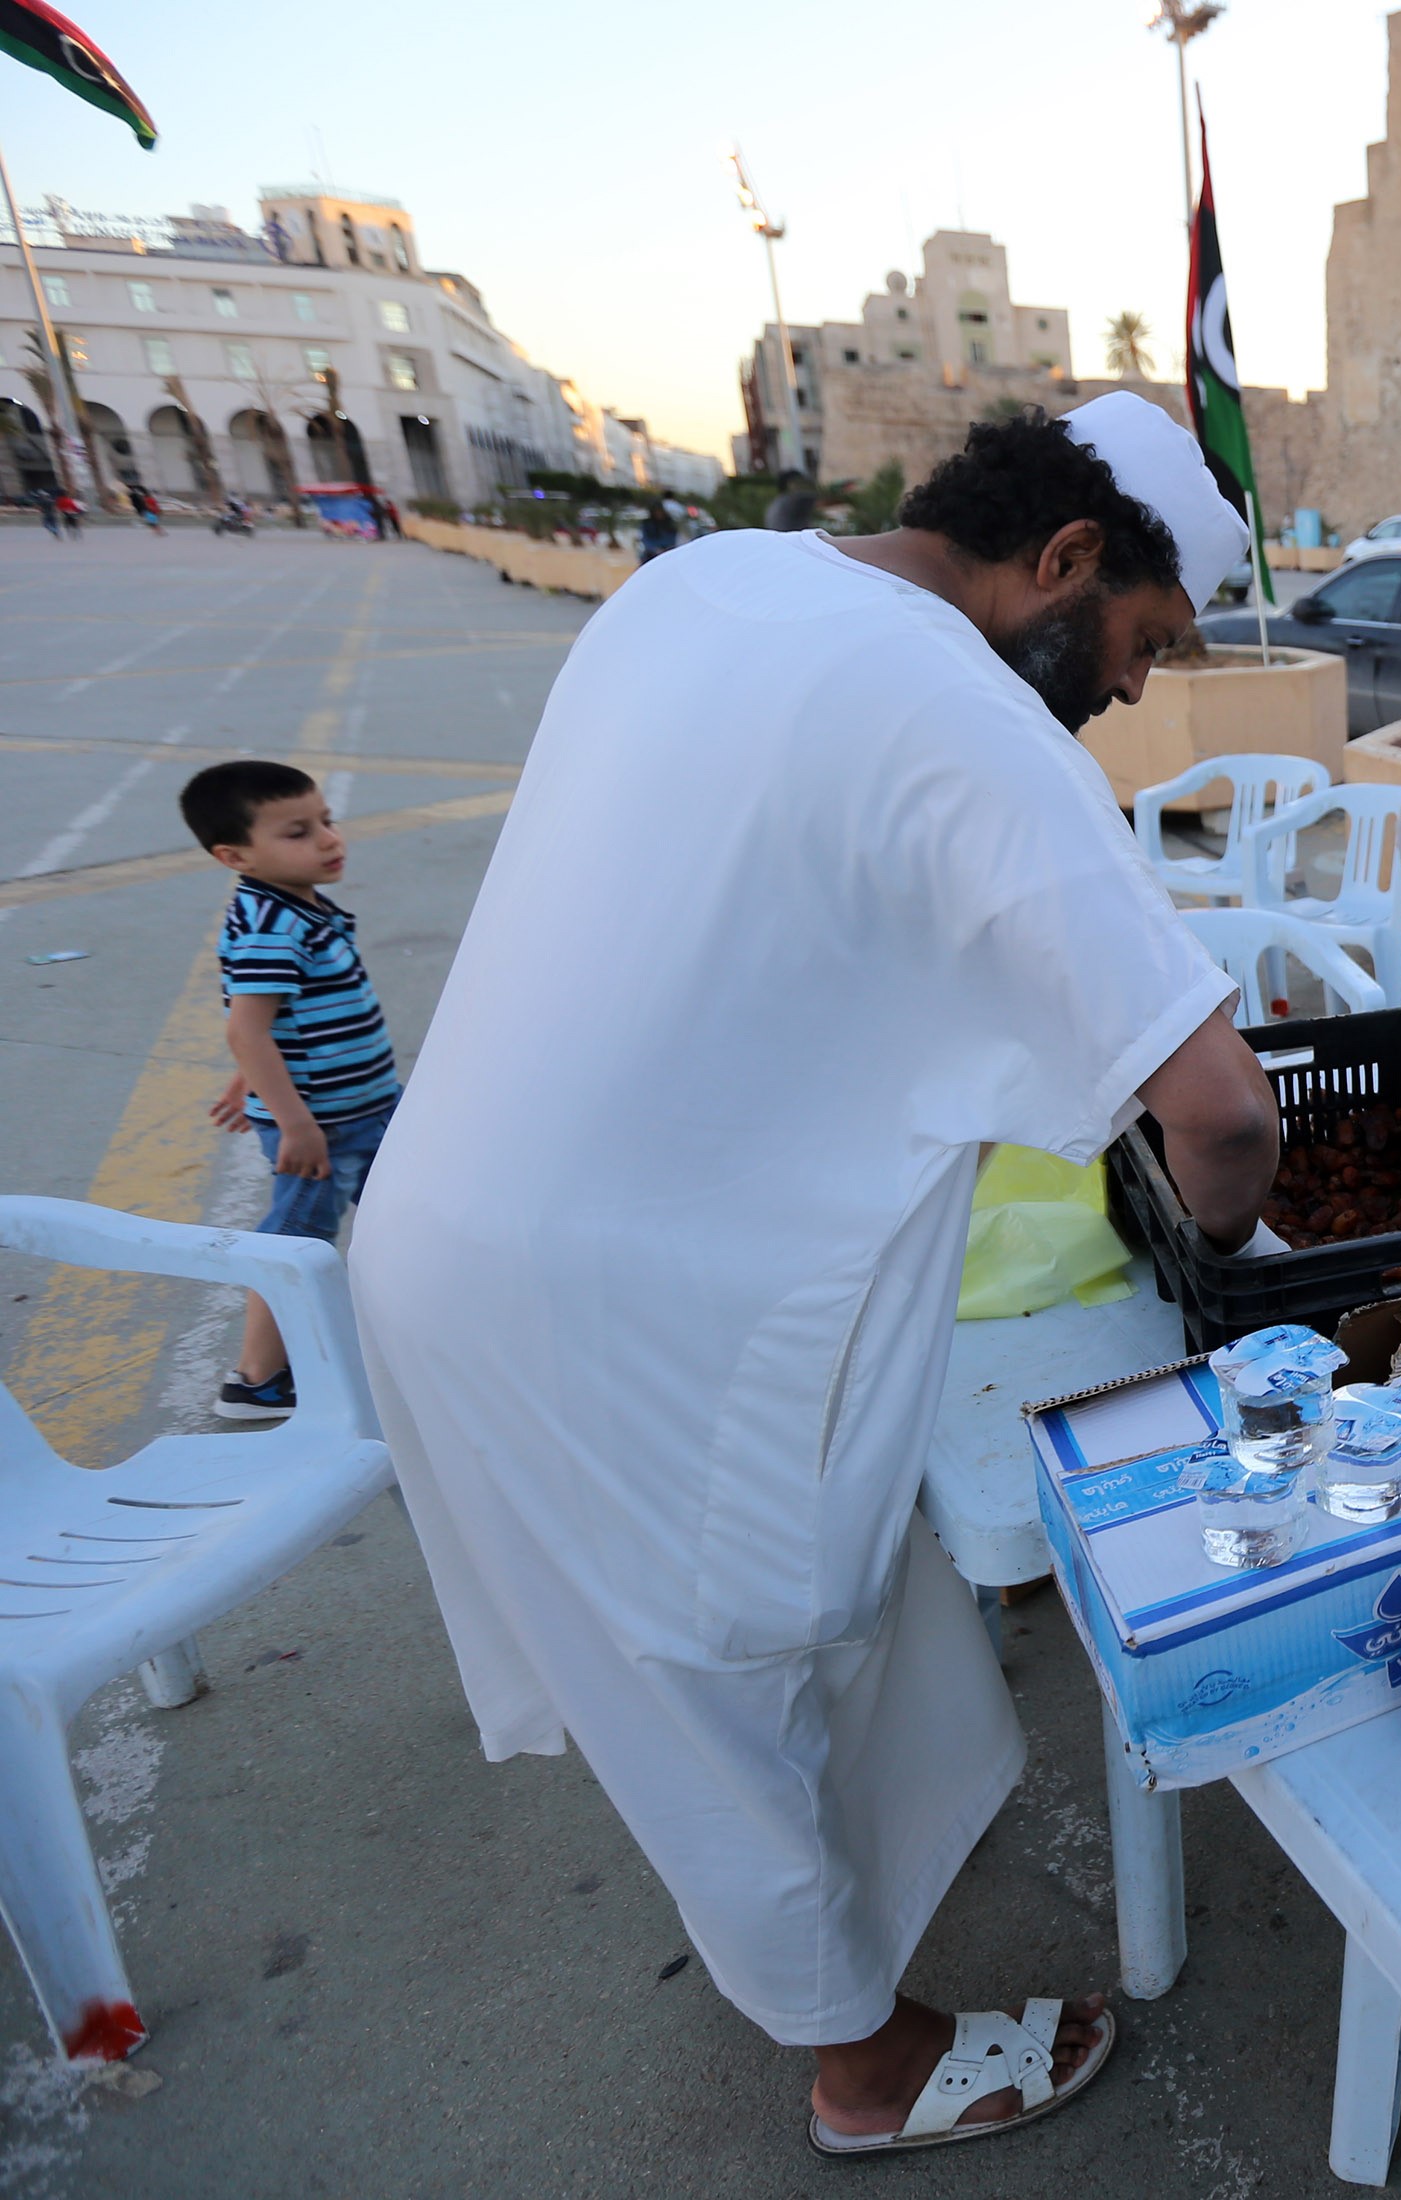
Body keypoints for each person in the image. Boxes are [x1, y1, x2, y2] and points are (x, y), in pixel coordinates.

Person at [349, 396, 1279, 2156]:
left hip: (463, 1222)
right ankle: (867, 2069)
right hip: (606, 1308)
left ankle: (881, 1901)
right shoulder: (966, 715)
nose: (1137, 692)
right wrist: (1226, 1265)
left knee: (842, 1616)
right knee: (732, 1680)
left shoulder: (706, 587)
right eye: (1144, 644)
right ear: (1064, 561)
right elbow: (1220, 1124)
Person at [179, 760, 398, 1421]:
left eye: (327, 821)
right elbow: (247, 1028)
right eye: (299, 832)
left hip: (366, 1103)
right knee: (293, 1245)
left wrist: (257, 1075)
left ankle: (409, 1332)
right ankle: (255, 1380)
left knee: (400, 1211)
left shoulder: (295, 903)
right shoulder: (275, 926)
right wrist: (292, 1121)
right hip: (325, 1125)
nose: (329, 839)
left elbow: (273, 1023)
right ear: (234, 854)